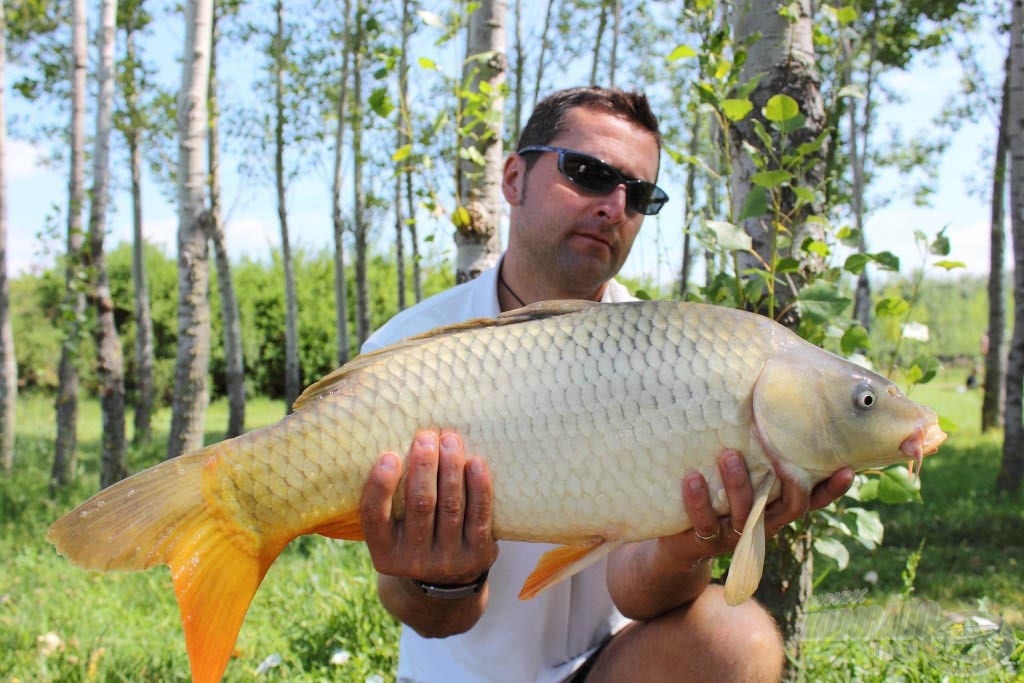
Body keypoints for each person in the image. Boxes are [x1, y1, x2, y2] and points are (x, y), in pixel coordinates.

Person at [357, 86, 854, 683]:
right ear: (513, 178)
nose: (615, 206)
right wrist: (445, 578)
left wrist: (691, 542)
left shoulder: (672, 353)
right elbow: (431, 618)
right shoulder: (408, 350)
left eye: (640, 194)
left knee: (737, 638)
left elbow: (638, 593)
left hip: (600, 667)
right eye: (588, 173)